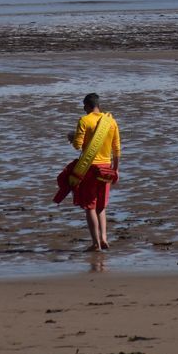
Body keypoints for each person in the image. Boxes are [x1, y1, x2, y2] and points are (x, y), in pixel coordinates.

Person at [59, 92, 121, 251]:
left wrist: (71, 137)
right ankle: (104, 238)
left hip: (89, 168)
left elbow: (78, 146)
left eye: (84, 106)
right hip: (107, 167)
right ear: (98, 105)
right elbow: (117, 149)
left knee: (90, 207)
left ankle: (95, 243)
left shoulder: (84, 120)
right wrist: (116, 169)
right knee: (101, 206)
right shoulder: (111, 122)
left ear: (87, 106)